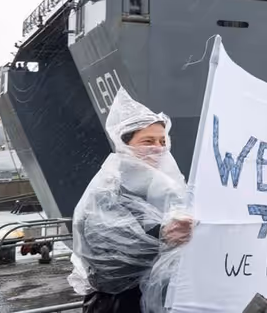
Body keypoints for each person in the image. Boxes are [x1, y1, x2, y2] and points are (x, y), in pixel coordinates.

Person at [69, 88, 192, 313]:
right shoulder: (107, 190)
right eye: (147, 141)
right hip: (116, 305)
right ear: (126, 145)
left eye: (162, 141)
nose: (157, 148)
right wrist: (164, 238)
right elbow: (108, 262)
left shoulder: (166, 187)